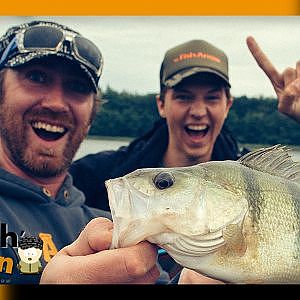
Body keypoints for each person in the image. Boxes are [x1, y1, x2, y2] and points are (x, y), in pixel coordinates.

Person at [69, 37, 300, 282]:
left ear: (228, 105)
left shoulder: (254, 174)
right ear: (161, 104)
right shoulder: (94, 175)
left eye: (211, 98)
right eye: (184, 97)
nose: (198, 111)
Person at [0, 20, 160, 284]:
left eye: (77, 87)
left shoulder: (114, 231)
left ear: (91, 116)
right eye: (37, 77)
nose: (56, 103)